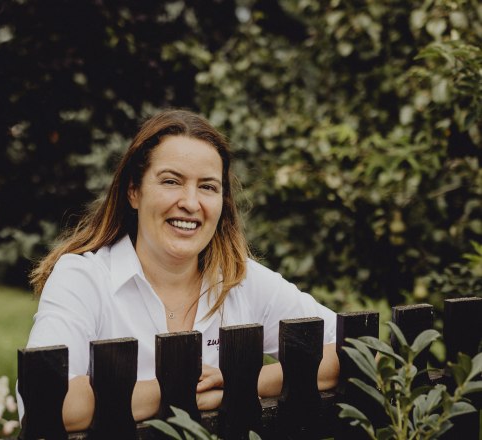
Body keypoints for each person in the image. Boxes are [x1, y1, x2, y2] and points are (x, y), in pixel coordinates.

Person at [22, 109, 339, 431]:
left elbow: (354, 350)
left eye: (208, 187)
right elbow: (47, 400)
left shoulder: (241, 279)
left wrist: (242, 381)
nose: (190, 202)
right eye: (171, 181)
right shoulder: (83, 278)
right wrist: (180, 393)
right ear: (134, 191)